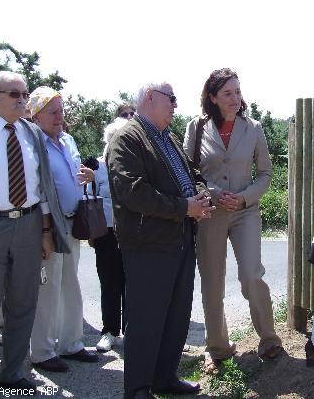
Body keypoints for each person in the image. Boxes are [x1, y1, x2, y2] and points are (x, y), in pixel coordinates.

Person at [0, 71, 69, 397]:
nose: (22, 100)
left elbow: (42, 186)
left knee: (23, 303)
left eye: (24, 93)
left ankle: (14, 373)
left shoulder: (31, 133)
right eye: (14, 94)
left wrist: (46, 231)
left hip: (29, 226)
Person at [106, 81, 214, 399]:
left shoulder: (169, 137)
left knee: (176, 315)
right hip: (147, 244)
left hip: (179, 237)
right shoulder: (127, 138)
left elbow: (192, 175)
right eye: (172, 99)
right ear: (151, 98)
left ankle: (165, 378)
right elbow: (133, 193)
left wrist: (202, 196)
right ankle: (138, 388)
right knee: (146, 319)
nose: (175, 105)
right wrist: (184, 207)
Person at [184, 68, 283, 371]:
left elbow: (266, 174)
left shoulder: (253, 128)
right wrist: (211, 192)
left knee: (251, 274)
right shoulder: (196, 128)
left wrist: (243, 197)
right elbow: (189, 172)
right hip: (209, 213)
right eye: (227, 93)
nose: (235, 98)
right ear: (212, 97)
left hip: (245, 212)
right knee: (212, 283)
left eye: (238, 92)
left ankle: (269, 340)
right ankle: (219, 349)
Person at [28, 87, 98, 373]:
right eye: (53, 111)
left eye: (61, 110)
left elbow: (74, 175)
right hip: (48, 224)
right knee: (48, 288)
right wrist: (44, 230)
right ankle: (42, 351)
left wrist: (89, 176)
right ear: (36, 115)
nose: (60, 116)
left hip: (72, 221)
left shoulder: (67, 140)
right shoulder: (33, 143)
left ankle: (71, 343)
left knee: (70, 283)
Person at [90, 104, 134, 353]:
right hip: (105, 232)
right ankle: (109, 331)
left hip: (131, 232)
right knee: (109, 282)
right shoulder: (97, 166)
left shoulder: (135, 164)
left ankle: (130, 330)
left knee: (131, 282)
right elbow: (91, 198)